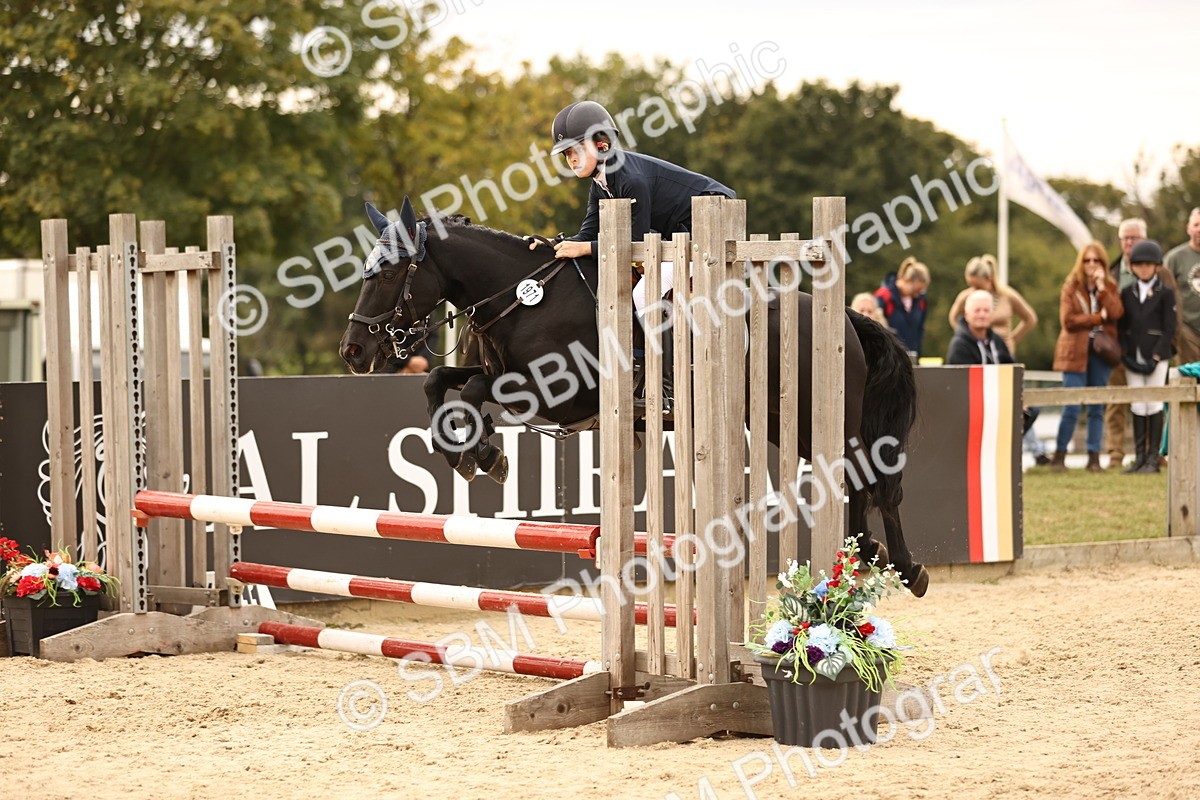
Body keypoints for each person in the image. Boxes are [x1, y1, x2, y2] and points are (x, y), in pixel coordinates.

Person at [532, 100, 735, 413]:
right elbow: (586, 235)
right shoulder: (601, 183)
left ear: (602, 144)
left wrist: (585, 249)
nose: (571, 159)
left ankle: (669, 391)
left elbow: (636, 245)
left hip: (712, 223)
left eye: (576, 150)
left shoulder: (631, 179)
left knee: (643, 294)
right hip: (681, 237)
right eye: (567, 154)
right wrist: (550, 245)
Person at [1050, 242, 1124, 473]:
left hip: (1101, 353)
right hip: (1074, 352)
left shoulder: (1109, 287)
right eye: (1087, 260)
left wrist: (1101, 287)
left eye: (1096, 260)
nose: (1091, 264)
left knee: (1096, 406)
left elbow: (1116, 312)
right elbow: (1068, 321)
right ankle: (1059, 456)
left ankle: (1094, 458)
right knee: (1071, 406)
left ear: (1103, 263)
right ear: (1080, 263)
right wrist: (1096, 318)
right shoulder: (1071, 287)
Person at [1117, 240, 1176, 474]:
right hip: (1133, 354)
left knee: (1154, 403)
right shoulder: (1126, 292)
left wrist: (1157, 356)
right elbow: (1121, 326)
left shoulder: (1165, 293)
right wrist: (1124, 354)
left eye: (1148, 265)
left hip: (1156, 354)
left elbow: (1169, 328)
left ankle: (1154, 457)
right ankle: (1139, 456)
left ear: (1156, 266)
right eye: (1139, 265)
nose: (1143, 269)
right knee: (1137, 403)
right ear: (1133, 267)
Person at [946, 255, 1037, 355]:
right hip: (976, 352)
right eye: (971, 285)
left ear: (989, 279)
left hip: (1002, 353)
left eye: (978, 286)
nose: (974, 290)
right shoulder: (966, 297)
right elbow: (953, 317)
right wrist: (966, 337)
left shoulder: (1008, 296)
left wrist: (1012, 339)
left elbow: (1030, 319)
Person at [874, 257, 930, 358]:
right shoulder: (884, 297)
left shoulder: (921, 302)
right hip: (888, 356)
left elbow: (920, 331)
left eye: (921, 290)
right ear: (906, 280)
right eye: (916, 290)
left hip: (911, 356)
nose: (918, 294)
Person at [1165, 207, 1200, 364]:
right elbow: (1163, 292)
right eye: (1196, 225)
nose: (1199, 229)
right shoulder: (1174, 258)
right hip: (1187, 330)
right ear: (1188, 228)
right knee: (1190, 374)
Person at [945, 290, 1014, 365]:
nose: (982, 315)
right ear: (966, 315)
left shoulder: (998, 341)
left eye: (986, 311)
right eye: (977, 311)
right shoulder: (960, 345)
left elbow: (1012, 369)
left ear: (992, 314)